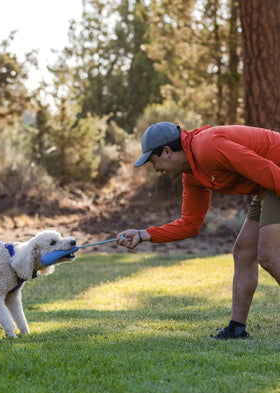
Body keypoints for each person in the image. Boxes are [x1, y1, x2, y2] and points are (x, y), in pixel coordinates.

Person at [117, 121, 280, 339]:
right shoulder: (193, 175)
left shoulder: (207, 147)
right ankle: (236, 328)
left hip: (275, 173)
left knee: (268, 254)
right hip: (267, 184)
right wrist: (143, 234)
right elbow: (190, 224)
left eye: (153, 162)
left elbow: (265, 169)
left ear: (167, 152)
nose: (156, 170)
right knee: (243, 252)